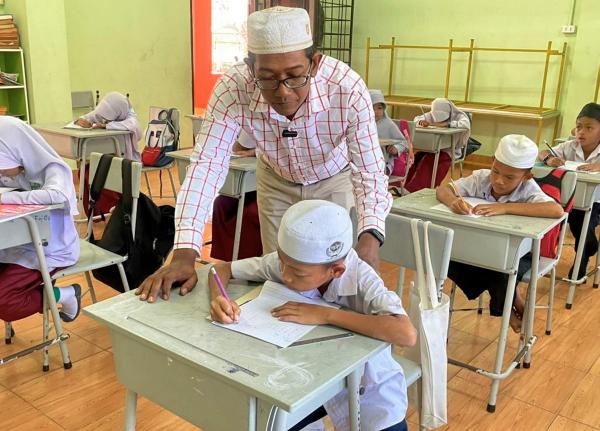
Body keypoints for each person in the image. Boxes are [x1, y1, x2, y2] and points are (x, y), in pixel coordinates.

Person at [136, 7, 391, 303]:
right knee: (285, 275)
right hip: (276, 179)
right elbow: (206, 166)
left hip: (333, 177)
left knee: (333, 278)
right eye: (267, 78)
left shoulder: (347, 88)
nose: (283, 92)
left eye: (295, 76)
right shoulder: (233, 89)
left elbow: (369, 172)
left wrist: (370, 238)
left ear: (314, 64)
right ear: (250, 67)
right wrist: (184, 252)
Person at [209, 200, 416, 431]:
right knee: (264, 421)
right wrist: (219, 298)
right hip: (304, 378)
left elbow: (405, 333)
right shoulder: (289, 263)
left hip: (367, 387)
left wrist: (326, 315)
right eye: (282, 263)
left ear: (336, 270)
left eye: (297, 273)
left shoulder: (362, 278)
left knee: (384, 424)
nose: (285, 275)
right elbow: (221, 269)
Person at [436, 135, 563, 331]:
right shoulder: (480, 178)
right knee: (447, 258)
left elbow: (556, 210)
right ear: (492, 162)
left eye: (510, 177)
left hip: (518, 253)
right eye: (495, 171)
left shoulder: (528, 189)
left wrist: (505, 208)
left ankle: (504, 305)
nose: (499, 180)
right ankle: (511, 299)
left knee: (501, 269)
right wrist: (453, 201)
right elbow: (443, 190)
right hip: (479, 247)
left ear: (527, 176)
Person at [0, 117, 82, 322]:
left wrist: (5, 198)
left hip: (50, 249)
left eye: (2, 166)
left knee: (4, 301)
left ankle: (65, 294)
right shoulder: (13, 171)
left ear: (17, 151)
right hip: (13, 243)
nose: (1, 172)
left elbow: (58, 195)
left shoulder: (53, 170)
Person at [539, 102, 600, 279]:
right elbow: (542, 152)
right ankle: (586, 247)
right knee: (558, 216)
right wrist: (549, 159)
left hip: (595, 202)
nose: (582, 132)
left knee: (582, 220)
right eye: (579, 126)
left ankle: (582, 256)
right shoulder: (570, 146)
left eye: (589, 128)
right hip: (569, 201)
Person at [210, 130, 262, 260]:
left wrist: (255, 152)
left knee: (250, 212)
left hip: (281, 189)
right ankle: (227, 257)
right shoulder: (253, 121)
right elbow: (237, 148)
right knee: (221, 203)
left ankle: (248, 260)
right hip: (254, 184)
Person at [405, 98, 471, 192]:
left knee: (429, 161)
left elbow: (466, 124)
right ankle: (405, 186)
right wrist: (421, 122)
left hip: (450, 151)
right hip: (432, 147)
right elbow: (416, 119)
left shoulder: (459, 116)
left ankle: (417, 189)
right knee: (417, 157)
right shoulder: (431, 115)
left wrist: (446, 124)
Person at [75, 91, 142, 161]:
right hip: (105, 152)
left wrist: (105, 126)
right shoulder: (102, 112)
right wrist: (79, 121)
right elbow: (91, 116)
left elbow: (134, 126)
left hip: (123, 158)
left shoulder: (128, 116)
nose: (104, 120)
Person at [369, 89, 409, 176]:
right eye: (372, 108)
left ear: (384, 109)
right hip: (365, 160)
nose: (376, 112)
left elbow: (404, 143)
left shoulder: (388, 124)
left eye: (379, 108)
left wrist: (396, 148)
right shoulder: (362, 125)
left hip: (384, 163)